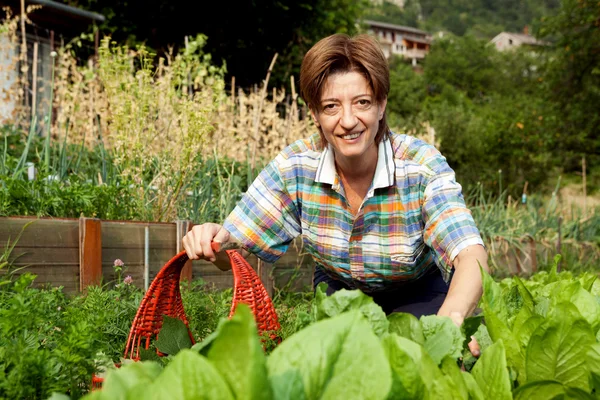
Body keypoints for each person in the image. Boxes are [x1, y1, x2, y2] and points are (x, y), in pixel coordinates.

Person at [183, 33, 489, 335]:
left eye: (362, 103)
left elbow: (470, 255)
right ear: (315, 114)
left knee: (414, 354)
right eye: (331, 106)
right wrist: (213, 242)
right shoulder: (296, 168)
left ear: (381, 105)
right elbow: (235, 250)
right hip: (340, 290)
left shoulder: (420, 167)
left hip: (418, 289)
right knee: (341, 365)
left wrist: (452, 317)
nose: (348, 120)